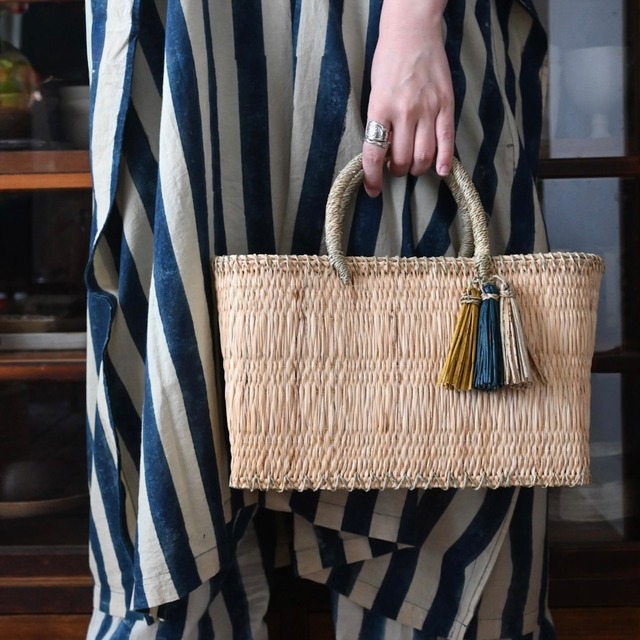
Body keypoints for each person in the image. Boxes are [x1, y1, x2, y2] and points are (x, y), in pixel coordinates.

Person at [85, 0, 552, 638]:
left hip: (382, 20)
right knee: (181, 308)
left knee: (436, 285)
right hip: (188, 32)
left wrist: (414, 23)